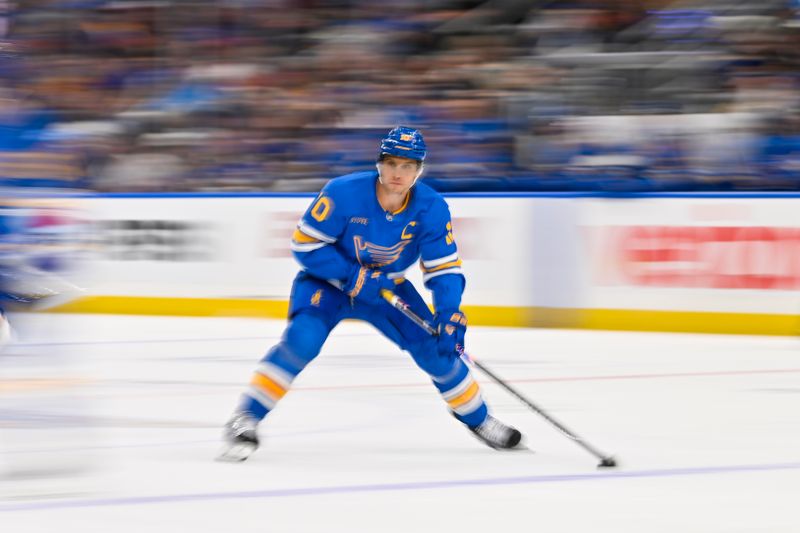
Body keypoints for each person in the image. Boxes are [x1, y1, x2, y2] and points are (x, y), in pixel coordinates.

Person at [220, 126, 523, 461]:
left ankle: (480, 420)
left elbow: (444, 268)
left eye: (408, 166)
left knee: (438, 351)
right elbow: (304, 245)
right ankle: (245, 417)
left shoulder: (432, 207)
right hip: (327, 284)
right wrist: (352, 276)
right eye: (392, 163)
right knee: (301, 341)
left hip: (387, 290)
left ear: (419, 170)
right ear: (379, 163)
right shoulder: (343, 193)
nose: (398, 173)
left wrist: (449, 311)